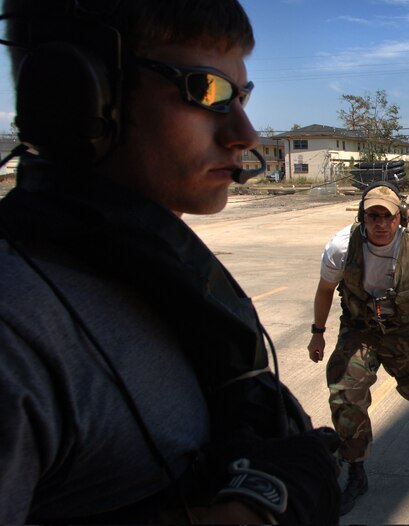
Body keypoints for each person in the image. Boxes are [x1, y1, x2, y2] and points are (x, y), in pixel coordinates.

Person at [0, 1, 341, 523]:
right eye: (207, 90)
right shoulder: (17, 329)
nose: (245, 134)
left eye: (242, 95)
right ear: (75, 94)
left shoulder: (139, 262)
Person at [308, 182, 409, 515]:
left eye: (386, 216)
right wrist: (317, 333)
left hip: (403, 332)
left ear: (399, 219)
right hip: (359, 329)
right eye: (372, 216)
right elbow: (324, 290)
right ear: (363, 217)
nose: (379, 223)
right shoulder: (341, 246)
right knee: (345, 392)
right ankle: (356, 470)